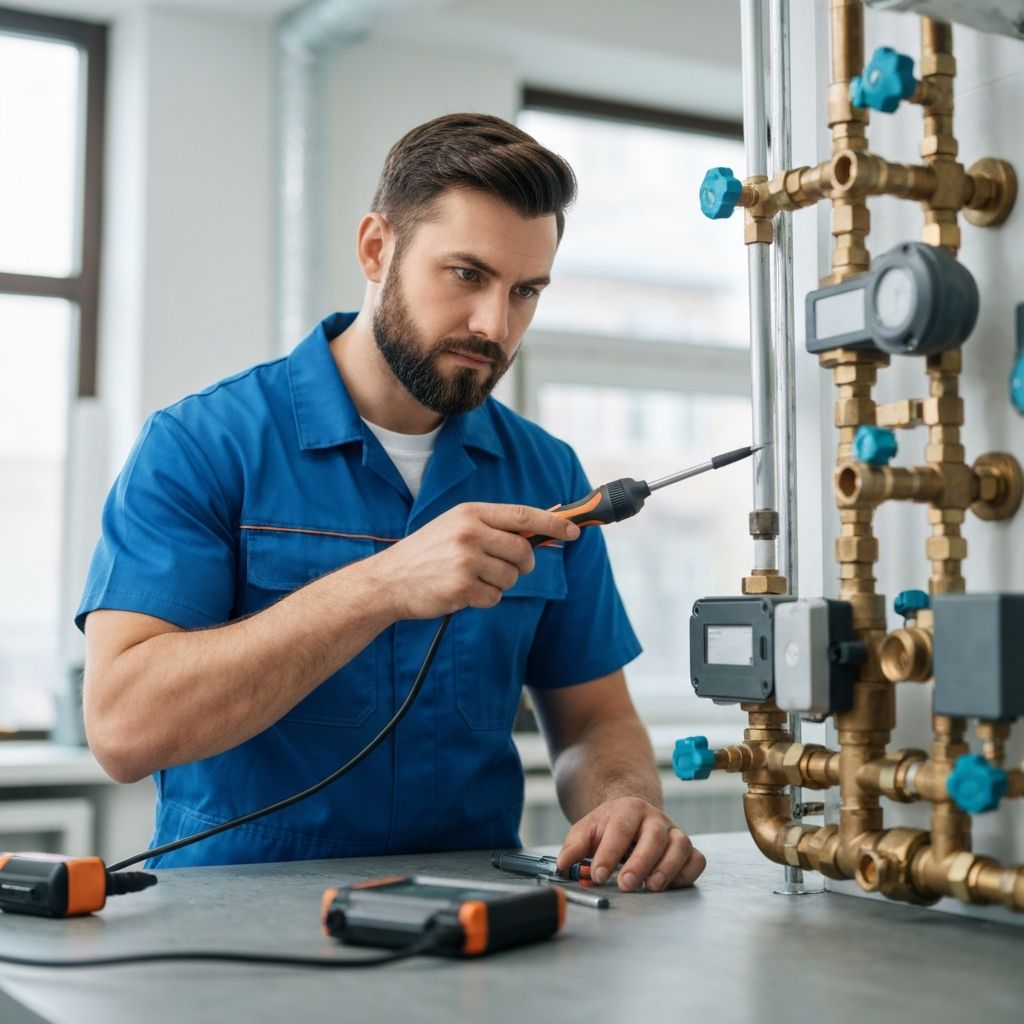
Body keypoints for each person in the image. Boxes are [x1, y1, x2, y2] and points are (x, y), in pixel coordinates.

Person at [78, 113, 705, 893]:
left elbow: (592, 722)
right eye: (467, 275)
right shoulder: (202, 444)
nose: (494, 325)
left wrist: (625, 803)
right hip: (227, 924)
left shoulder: (547, 471)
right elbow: (124, 729)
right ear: (378, 248)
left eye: (526, 292)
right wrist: (380, 587)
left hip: (473, 924)